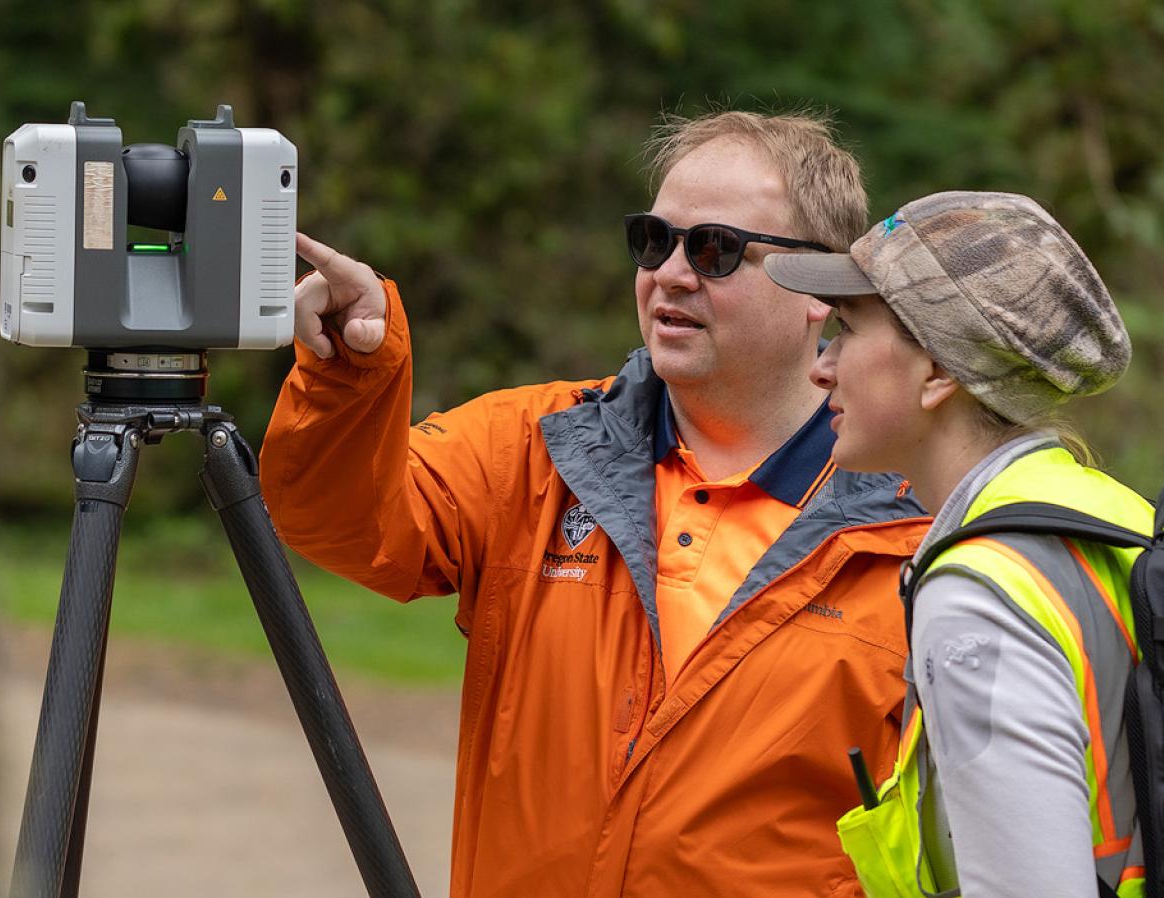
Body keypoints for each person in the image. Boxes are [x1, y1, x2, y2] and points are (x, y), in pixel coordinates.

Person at [260, 111, 929, 897]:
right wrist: (348, 377)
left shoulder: (914, 522)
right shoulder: (535, 449)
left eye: (714, 249)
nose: (671, 274)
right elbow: (339, 521)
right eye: (655, 240)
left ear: (818, 289)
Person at [765, 190, 1148, 897]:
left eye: (847, 329)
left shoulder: (979, 592)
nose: (822, 367)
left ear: (939, 370)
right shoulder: (1115, 514)